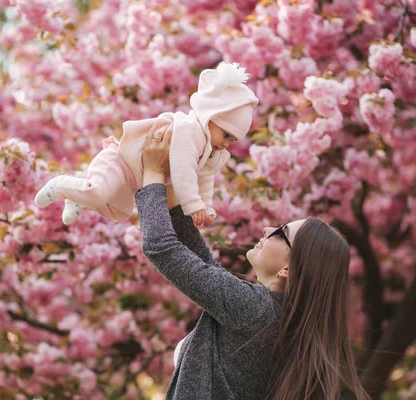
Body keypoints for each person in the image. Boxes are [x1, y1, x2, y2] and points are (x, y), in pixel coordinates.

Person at [136, 128, 370, 399]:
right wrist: (171, 190)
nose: (267, 229)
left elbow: (161, 248)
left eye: (280, 233)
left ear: (289, 270)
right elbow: (204, 265)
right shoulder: (282, 323)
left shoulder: (254, 310)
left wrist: (151, 175)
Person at [34, 62, 259, 227]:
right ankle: (61, 184)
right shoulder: (189, 129)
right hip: (120, 162)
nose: (226, 144)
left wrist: (207, 206)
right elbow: (183, 172)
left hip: (133, 181)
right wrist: (194, 204)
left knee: (119, 212)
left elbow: (205, 177)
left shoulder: (209, 150)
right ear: (211, 117)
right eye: (226, 134)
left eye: (233, 140)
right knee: (100, 193)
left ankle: (80, 199)